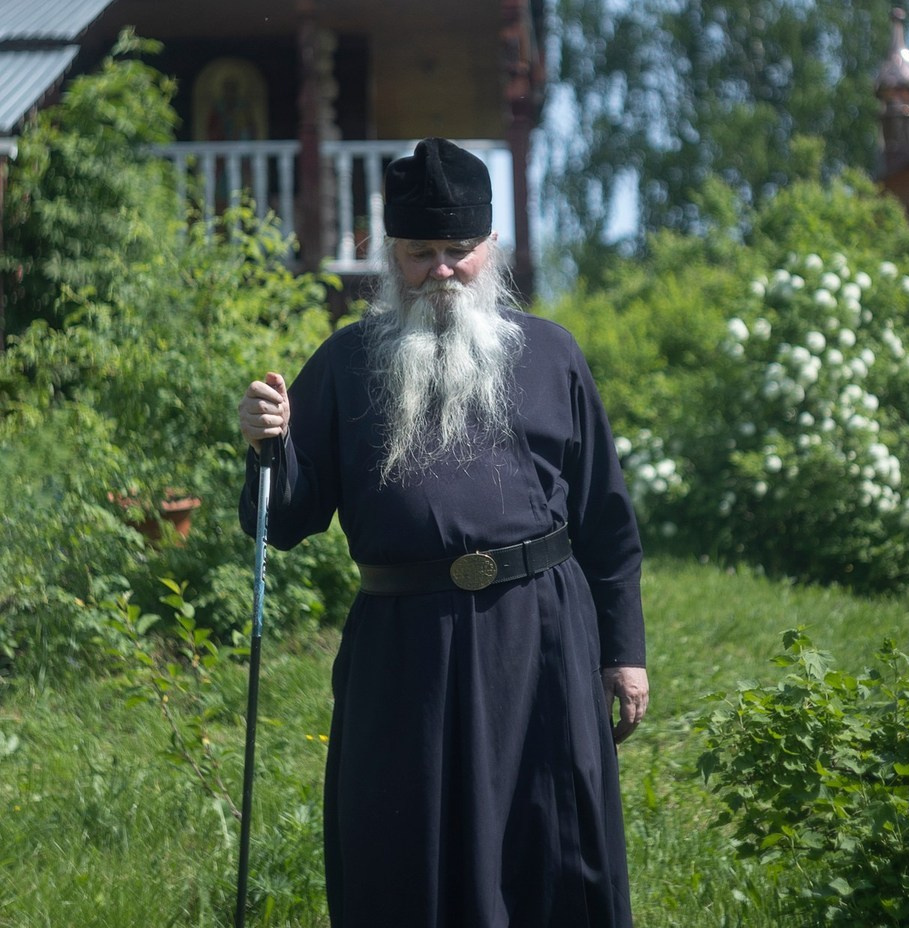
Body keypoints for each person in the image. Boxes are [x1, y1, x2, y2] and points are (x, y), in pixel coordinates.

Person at [238, 138, 648, 928]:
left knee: (553, 857)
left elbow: (605, 516)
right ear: (391, 257)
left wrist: (622, 650)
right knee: (406, 860)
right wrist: (268, 446)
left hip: (543, 645)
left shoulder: (551, 356)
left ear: (489, 249)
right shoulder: (347, 365)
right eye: (421, 252)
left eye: (458, 250)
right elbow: (283, 522)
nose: (442, 270)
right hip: (406, 658)